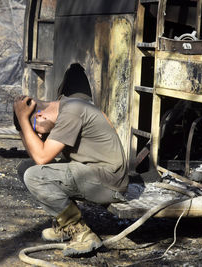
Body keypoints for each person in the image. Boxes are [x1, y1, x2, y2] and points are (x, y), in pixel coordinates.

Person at [13, 94, 128, 256]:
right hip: (90, 173)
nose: (37, 136)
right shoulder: (64, 108)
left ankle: (82, 234)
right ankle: (65, 226)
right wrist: (22, 125)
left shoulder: (71, 112)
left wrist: (23, 120)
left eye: (34, 129)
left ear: (40, 115)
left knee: (35, 175)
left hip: (108, 182)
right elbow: (36, 155)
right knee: (26, 168)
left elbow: (41, 157)